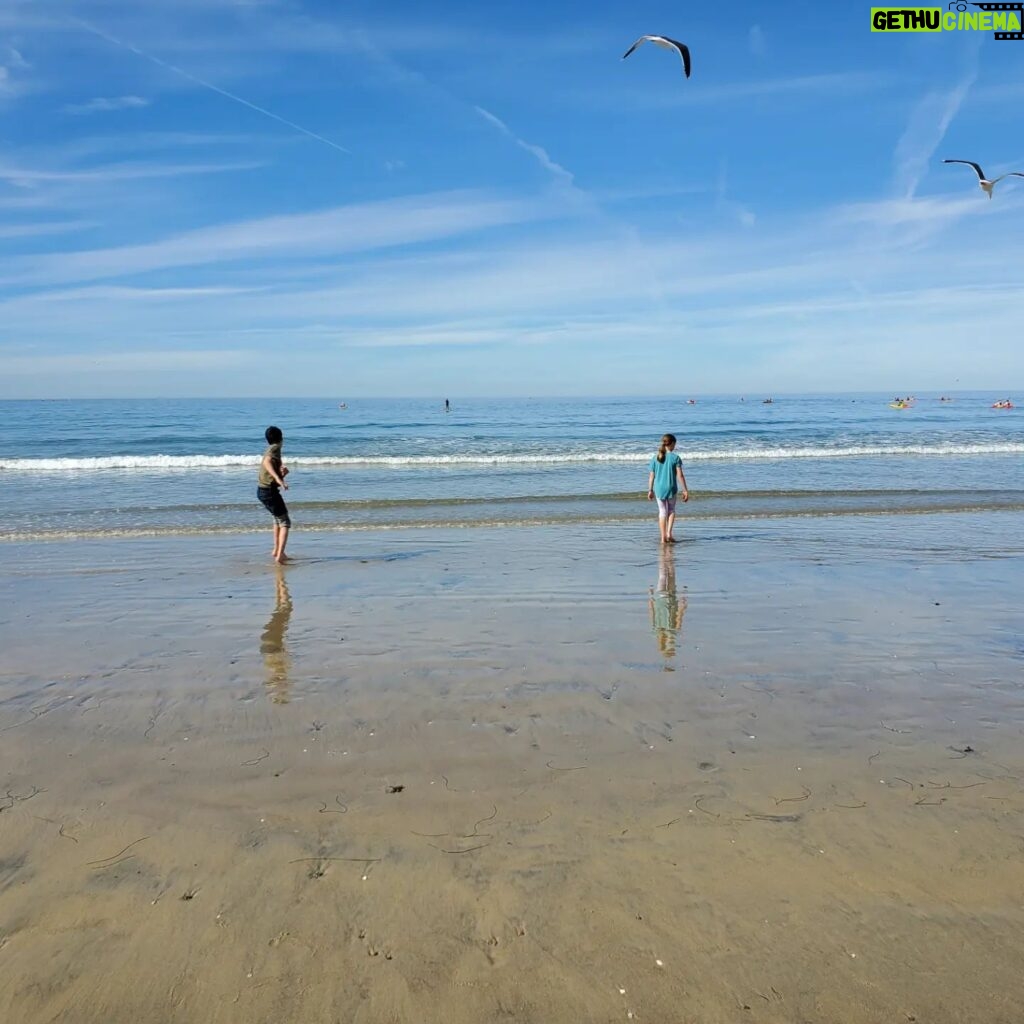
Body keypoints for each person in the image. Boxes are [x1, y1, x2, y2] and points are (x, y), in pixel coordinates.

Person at [257, 425, 291, 564]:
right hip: (268, 492)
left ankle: (277, 550)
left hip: (263, 491)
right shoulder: (275, 449)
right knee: (285, 522)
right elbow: (267, 462)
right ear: (281, 438)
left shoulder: (272, 449)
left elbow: (270, 468)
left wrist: (282, 474)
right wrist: (279, 480)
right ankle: (280, 555)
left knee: (277, 519)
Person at [647, 433, 689, 544]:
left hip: (659, 488)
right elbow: (680, 475)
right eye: (675, 444)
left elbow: (652, 476)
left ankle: (662, 538)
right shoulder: (675, 457)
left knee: (662, 512)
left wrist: (650, 490)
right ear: (672, 444)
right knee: (671, 510)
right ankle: (669, 534)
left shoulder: (655, 458)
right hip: (671, 488)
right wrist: (685, 490)